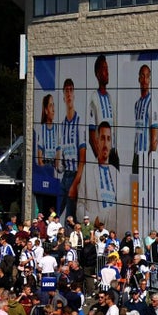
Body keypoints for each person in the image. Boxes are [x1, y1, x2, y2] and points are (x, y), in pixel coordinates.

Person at [59, 80, 88, 223]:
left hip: (74, 176)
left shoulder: (79, 121)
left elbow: (83, 158)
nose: (69, 93)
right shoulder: (63, 124)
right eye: (66, 90)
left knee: (70, 217)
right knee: (58, 216)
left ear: (74, 94)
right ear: (64, 96)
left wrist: (75, 183)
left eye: (71, 90)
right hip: (65, 176)